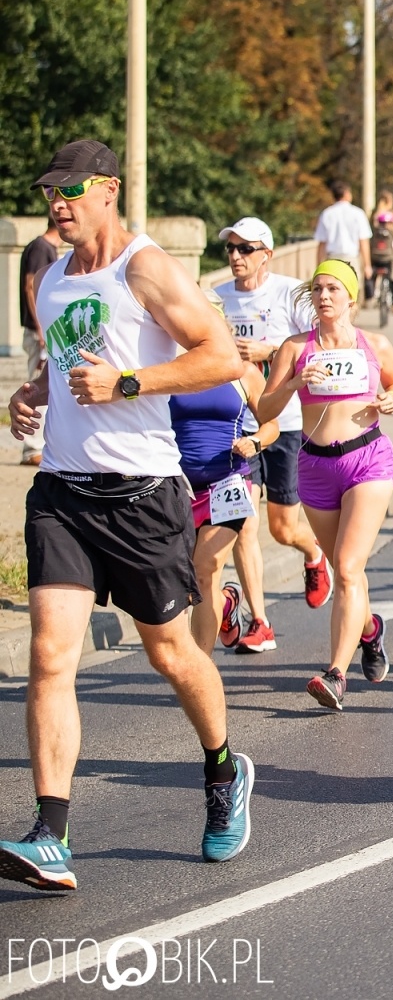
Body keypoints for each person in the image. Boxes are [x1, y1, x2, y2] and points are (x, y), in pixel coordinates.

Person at [2, 139, 255, 890]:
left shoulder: (146, 267)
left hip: (144, 495)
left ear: (108, 189)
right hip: (63, 492)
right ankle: (51, 831)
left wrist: (132, 381)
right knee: (50, 655)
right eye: (51, 191)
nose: (58, 203)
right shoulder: (49, 278)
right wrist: (34, 393)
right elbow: (65, 358)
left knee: (172, 654)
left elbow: (223, 358)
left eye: (71, 190)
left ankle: (222, 769)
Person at [258, 260, 393, 710]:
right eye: (318, 289)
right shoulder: (294, 347)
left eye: (333, 289)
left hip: (368, 459)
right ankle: (370, 630)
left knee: (345, 568)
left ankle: (336, 674)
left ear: (351, 297)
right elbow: (265, 409)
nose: (324, 296)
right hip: (316, 466)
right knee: (349, 571)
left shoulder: (373, 343)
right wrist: (292, 382)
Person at [214, 217, 332, 612]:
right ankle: (258, 620)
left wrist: (269, 353)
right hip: (238, 426)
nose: (235, 256)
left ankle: (313, 551)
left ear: (266, 254)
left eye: (245, 249)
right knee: (244, 524)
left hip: (286, 423)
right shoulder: (217, 297)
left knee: (282, 530)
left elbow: (317, 345)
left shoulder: (287, 293)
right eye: (230, 249)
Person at [172, 310, 279, 656]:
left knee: (206, 568)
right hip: (180, 485)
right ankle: (226, 602)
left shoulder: (242, 372)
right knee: (182, 577)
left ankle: (198, 669)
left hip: (229, 481)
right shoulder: (172, 371)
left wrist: (256, 442)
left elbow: (271, 424)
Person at [18, 218, 62, 466]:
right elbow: (30, 287)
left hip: (42, 330)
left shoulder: (48, 248)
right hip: (39, 332)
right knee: (37, 387)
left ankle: (37, 445)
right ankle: (32, 447)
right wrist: (41, 327)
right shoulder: (41, 247)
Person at [313, 180, 372, 283]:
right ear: (347, 194)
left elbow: (322, 244)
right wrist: (367, 265)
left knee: (333, 290)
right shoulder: (358, 213)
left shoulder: (327, 214)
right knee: (352, 291)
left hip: (332, 259)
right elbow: (363, 242)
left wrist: (319, 267)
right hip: (351, 259)